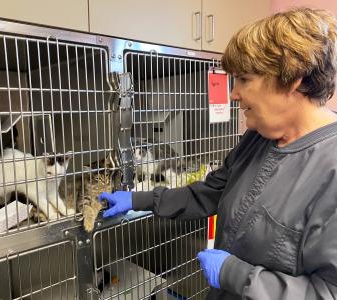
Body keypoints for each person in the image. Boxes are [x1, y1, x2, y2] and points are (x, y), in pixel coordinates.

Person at [99, 7, 337, 299]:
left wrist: (235, 275)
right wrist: (139, 199)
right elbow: (210, 192)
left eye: (244, 79)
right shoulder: (258, 139)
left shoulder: (331, 168)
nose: (234, 94)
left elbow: (327, 293)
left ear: (293, 79)